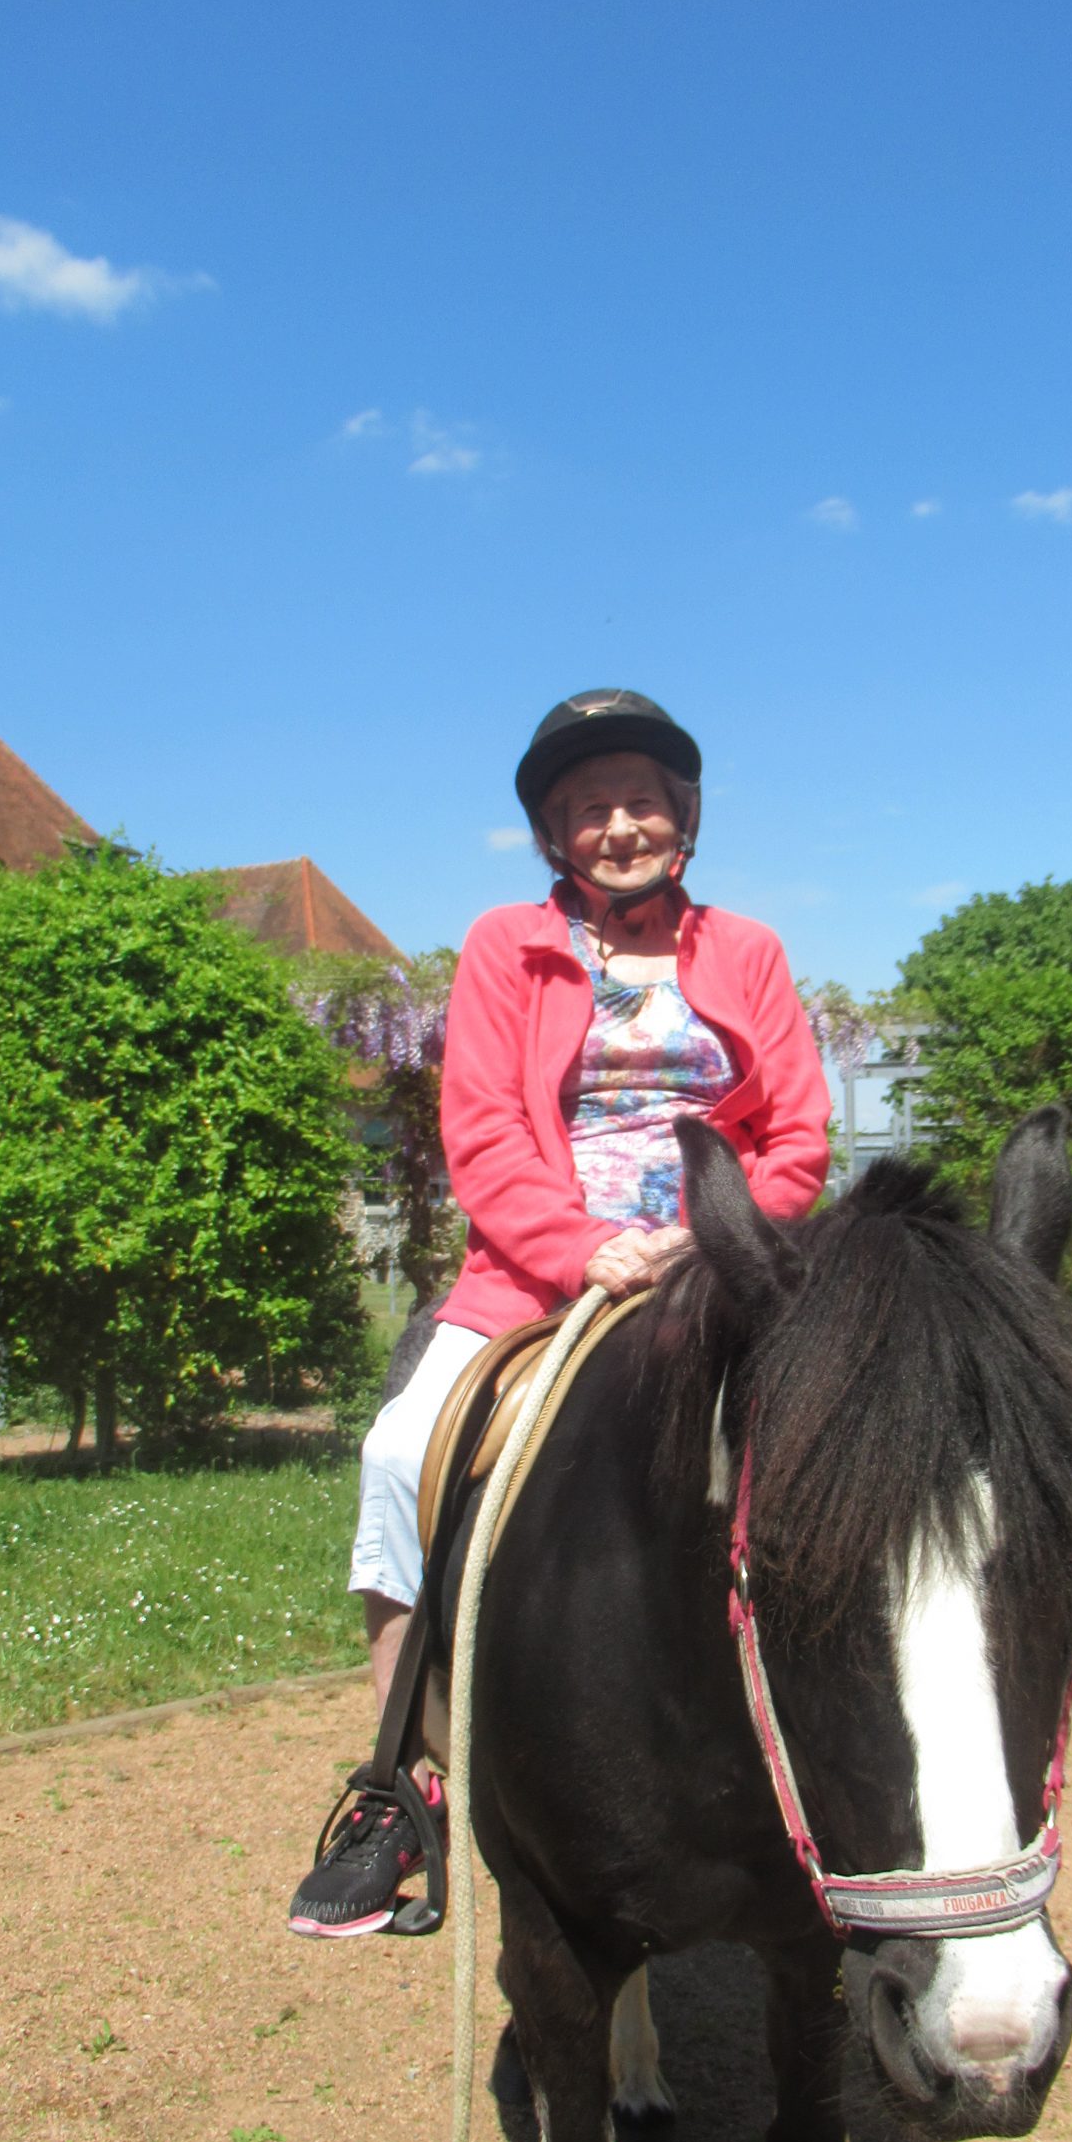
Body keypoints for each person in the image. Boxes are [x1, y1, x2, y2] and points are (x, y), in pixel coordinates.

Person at [288, 690, 831, 1936]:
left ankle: (842, 1751)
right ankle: (397, 1785)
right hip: (541, 1272)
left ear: (681, 816)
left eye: (642, 799)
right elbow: (479, 1133)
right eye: (590, 807)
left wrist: (715, 1241)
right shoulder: (502, 946)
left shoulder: (746, 950)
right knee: (394, 1453)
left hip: (724, 1260)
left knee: (850, 1449)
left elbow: (797, 1133)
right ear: (553, 832)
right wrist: (588, 1249)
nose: (620, 824)